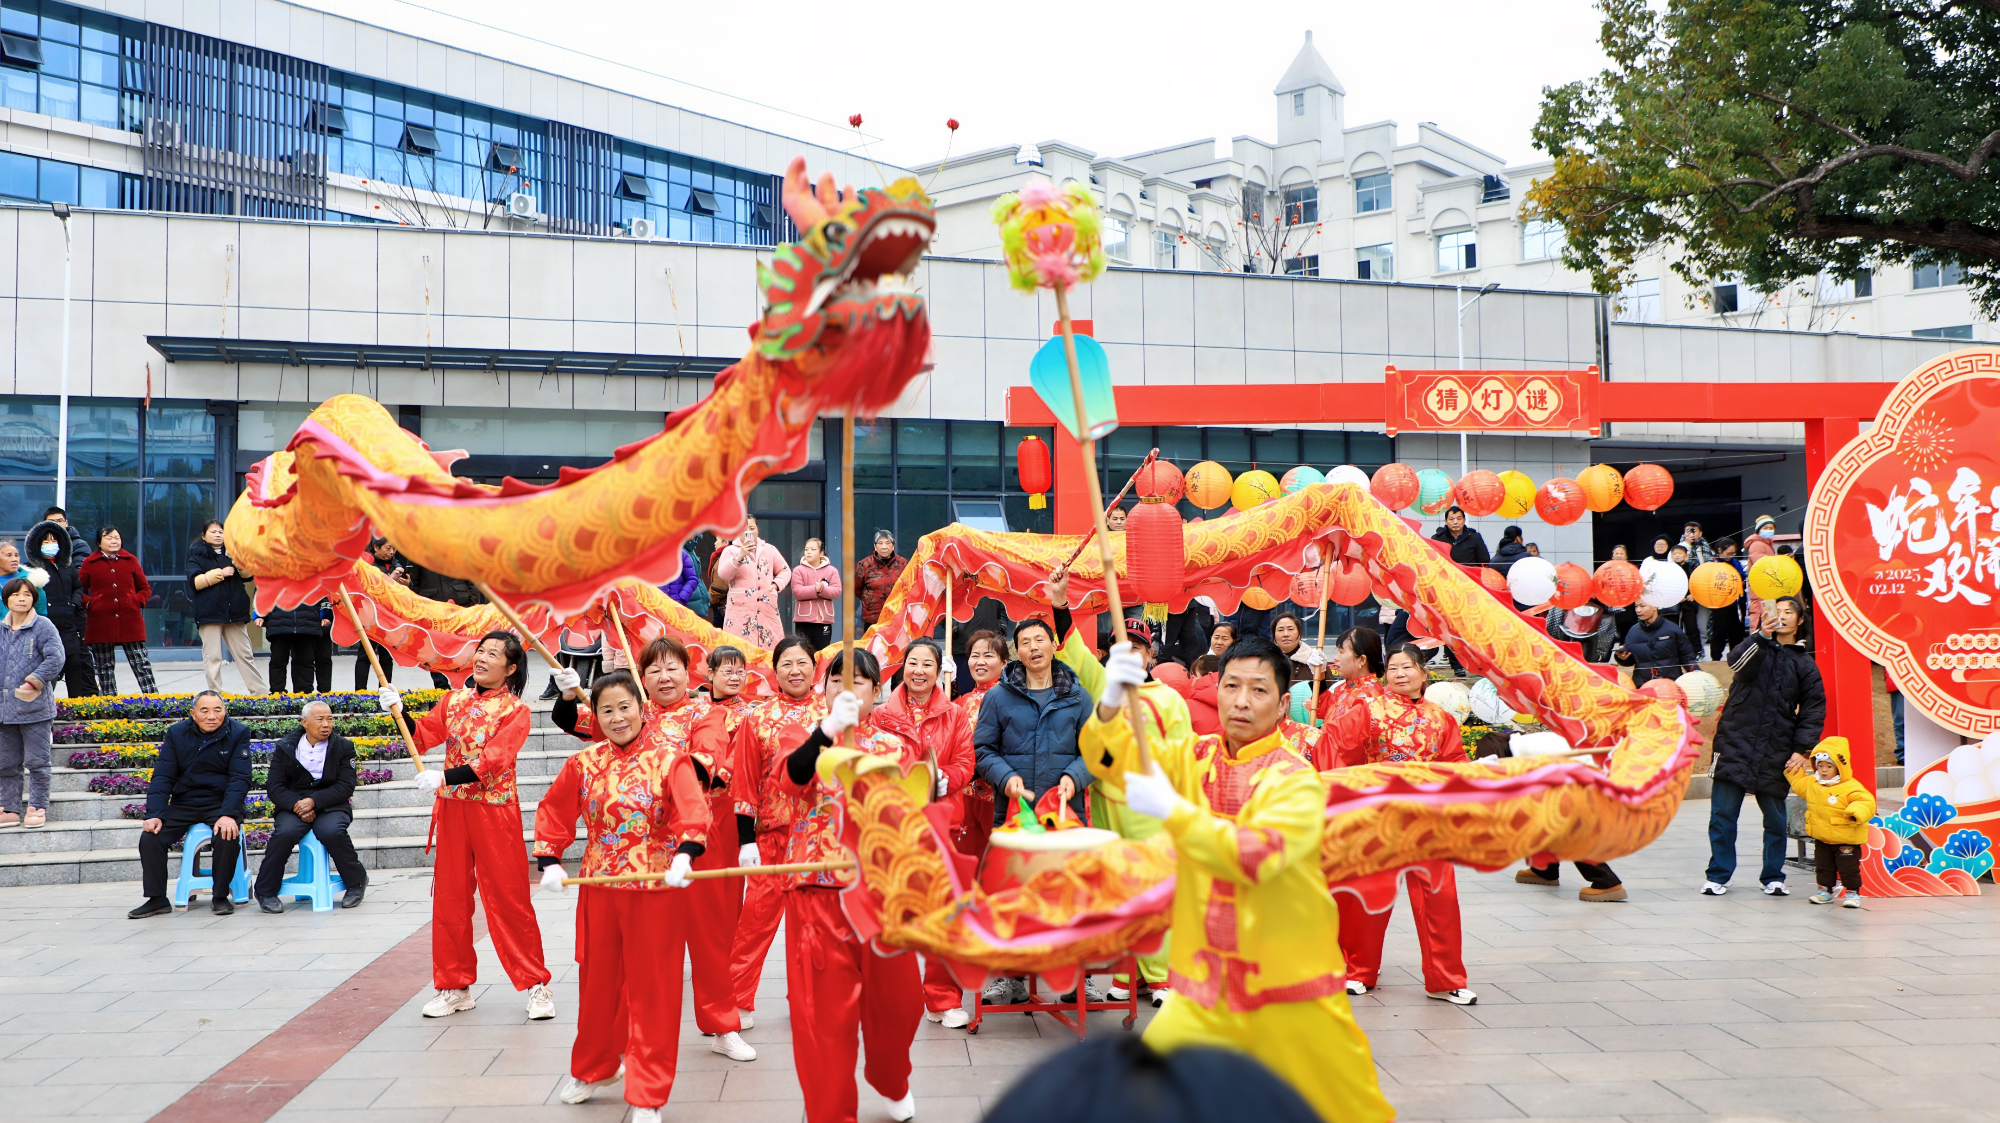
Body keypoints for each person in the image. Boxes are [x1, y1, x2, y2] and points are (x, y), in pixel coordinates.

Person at [1084, 636, 1394, 1123]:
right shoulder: (1196, 755)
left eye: (1258, 690)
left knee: (1348, 1111)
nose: (1242, 702)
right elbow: (1110, 761)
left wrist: (1173, 811)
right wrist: (1108, 703)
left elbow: (1255, 856)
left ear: (1283, 703)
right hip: (1208, 985)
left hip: (1291, 990)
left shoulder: (1294, 779)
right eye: (1231, 686)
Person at [551, 636, 755, 1061]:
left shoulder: (707, 712)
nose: (664, 677)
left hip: (696, 839)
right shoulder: (632, 711)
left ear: (688, 672)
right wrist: (571, 694)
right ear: (642, 678)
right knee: (625, 949)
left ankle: (722, 1025)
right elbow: (580, 723)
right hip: (634, 847)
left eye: (672, 667)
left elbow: (709, 758)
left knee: (709, 936)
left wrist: (667, 772)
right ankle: (620, 1041)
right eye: (654, 670)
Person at [534, 671, 711, 1121]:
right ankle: (594, 1067)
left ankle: (648, 1090)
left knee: (654, 990)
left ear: (641, 707)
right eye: (606, 710)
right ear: (597, 715)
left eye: (624, 707)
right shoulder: (584, 763)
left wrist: (686, 854)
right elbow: (554, 811)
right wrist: (550, 859)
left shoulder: (672, 760)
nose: (617, 718)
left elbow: (693, 810)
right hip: (598, 889)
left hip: (655, 889)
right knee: (598, 985)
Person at [770, 651, 924, 1123]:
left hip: (882, 895)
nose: (847, 689)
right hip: (817, 894)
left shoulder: (898, 747)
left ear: (876, 693)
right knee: (823, 1020)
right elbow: (791, 779)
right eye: (837, 680)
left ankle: (890, 1075)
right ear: (824, 689)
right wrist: (827, 735)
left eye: (860, 681)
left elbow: (914, 814)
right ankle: (831, 1113)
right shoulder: (801, 735)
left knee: (900, 1006)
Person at [381, 631, 556, 1020]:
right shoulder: (453, 699)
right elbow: (423, 737)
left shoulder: (515, 711)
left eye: (493, 654)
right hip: (454, 811)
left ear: (510, 668)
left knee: (510, 899)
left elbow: (495, 759)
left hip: (494, 812)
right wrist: (399, 712)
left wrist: (445, 778)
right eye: (481, 651)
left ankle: (535, 984)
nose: (482, 658)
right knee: (450, 900)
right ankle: (453, 986)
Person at [1320, 643, 1477, 1005]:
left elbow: (1454, 763)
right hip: (1378, 817)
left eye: (1407, 667)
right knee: (1367, 899)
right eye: (1393, 668)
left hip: (1426, 820)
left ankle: (1446, 979)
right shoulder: (1369, 709)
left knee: (1440, 899)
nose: (1400, 674)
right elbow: (1336, 748)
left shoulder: (1442, 718)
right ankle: (1358, 971)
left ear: (1423, 673)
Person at [971, 612, 1091, 1007]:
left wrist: (1075, 776)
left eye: (1041, 639)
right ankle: (1011, 978)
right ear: (1016, 652)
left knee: (1067, 896)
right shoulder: (998, 696)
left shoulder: (1076, 694)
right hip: (1017, 814)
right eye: (1026, 642)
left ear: (1054, 644)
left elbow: (1095, 750)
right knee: (1013, 896)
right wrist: (1005, 778)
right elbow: (983, 750)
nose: (1034, 647)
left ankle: (1074, 977)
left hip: (1065, 814)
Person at [872, 637, 977, 1027]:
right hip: (894, 824)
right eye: (912, 663)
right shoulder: (881, 715)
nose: (919, 671)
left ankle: (943, 998)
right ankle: (889, 997)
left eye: (927, 665)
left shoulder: (955, 714)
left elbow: (966, 762)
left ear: (939, 671)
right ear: (903, 667)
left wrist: (937, 780)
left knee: (945, 911)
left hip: (942, 819)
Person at [727, 636, 824, 1022]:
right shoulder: (757, 717)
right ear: (775, 671)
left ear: (814, 668)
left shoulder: (830, 714)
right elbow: (744, 781)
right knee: (755, 923)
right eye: (787, 664)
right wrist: (745, 839)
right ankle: (735, 1001)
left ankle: (809, 1001)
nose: (795, 671)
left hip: (818, 837)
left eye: (802, 663)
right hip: (771, 835)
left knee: (812, 928)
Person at [1706, 596, 1824, 897]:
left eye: (1789, 612)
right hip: (1735, 741)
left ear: (1799, 621)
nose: (1782, 616)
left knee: (1775, 819)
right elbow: (1736, 663)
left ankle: (1773, 876)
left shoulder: (1804, 664)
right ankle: (1718, 875)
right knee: (1722, 815)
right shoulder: (1755, 646)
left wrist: (1801, 749)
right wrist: (1760, 636)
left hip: (1776, 748)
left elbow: (1813, 710)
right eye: (1777, 611)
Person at [129, 690, 253, 917]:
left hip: (219, 802)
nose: (212, 716)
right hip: (184, 801)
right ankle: (157, 899)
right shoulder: (177, 733)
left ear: (225, 711)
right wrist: (155, 813)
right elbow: (163, 776)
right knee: (151, 837)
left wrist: (228, 813)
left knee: (228, 833)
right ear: (193, 714)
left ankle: (220, 895)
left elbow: (240, 778)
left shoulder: (238, 732)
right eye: (204, 710)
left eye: (218, 710)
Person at [254, 699, 367, 910]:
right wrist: (298, 805)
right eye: (320, 719)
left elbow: (345, 786)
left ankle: (356, 883)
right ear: (304, 722)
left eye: (330, 719)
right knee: (284, 833)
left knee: (332, 831)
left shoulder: (343, 746)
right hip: (294, 805)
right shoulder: (286, 746)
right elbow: (275, 786)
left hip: (331, 804)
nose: (326, 724)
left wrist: (314, 802)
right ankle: (266, 891)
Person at [0, 576, 64, 829]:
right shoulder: (1, 629)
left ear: (34, 599)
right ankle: (9, 807)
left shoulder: (43, 626)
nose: (22, 598)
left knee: (37, 762)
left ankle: (37, 806)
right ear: (7, 600)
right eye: (16, 594)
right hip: (4, 711)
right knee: (5, 763)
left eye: (27, 594)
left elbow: (56, 658)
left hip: (34, 707)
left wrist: (33, 681)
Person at [1783, 736, 1873, 908]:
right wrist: (1791, 770)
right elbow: (1798, 783)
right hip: (1822, 837)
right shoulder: (1813, 783)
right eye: (1820, 766)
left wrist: (1856, 812)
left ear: (1840, 767)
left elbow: (1865, 802)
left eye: (1829, 766)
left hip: (1846, 838)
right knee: (1824, 867)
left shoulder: (1850, 786)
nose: (1824, 770)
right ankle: (1824, 891)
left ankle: (1853, 893)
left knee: (1848, 868)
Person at [187, 520, 266, 695]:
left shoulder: (233, 554)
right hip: (210, 613)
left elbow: (248, 575)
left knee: (245, 655)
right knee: (213, 657)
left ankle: (260, 693)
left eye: (221, 532)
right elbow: (196, 582)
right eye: (213, 531)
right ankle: (216, 695)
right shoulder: (197, 557)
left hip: (235, 613)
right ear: (203, 536)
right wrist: (220, 574)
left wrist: (238, 561)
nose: (218, 535)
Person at [79, 526, 156, 695]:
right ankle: (110, 704)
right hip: (101, 622)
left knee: (141, 663)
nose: (114, 541)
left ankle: (153, 701)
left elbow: (144, 588)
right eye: (109, 537)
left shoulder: (131, 560)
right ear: (99, 542)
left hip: (130, 620)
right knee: (104, 668)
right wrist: (91, 604)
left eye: (117, 537)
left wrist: (136, 601)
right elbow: (79, 591)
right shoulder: (89, 563)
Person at [25, 521, 92, 698]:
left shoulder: (66, 565)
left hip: (68, 623)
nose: (50, 545)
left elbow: (79, 587)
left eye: (53, 541)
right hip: (46, 625)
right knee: (50, 666)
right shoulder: (31, 569)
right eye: (45, 541)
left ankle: (75, 706)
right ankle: (45, 706)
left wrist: (74, 603)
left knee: (74, 663)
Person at [716, 517, 790, 649]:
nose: (749, 532)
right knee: (739, 649)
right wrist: (740, 556)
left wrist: (776, 585)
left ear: (757, 529)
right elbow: (723, 574)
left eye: (752, 528)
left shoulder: (769, 549)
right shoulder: (730, 550)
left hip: (766, 608)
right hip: (740, 609)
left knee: (770, 650)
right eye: (744, 530)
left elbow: (785, 571)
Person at [409, 563, 485, 690]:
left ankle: (471, 683)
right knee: (435, 649)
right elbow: (415, 583)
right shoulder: (419, 553)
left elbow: (472, 578)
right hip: (433, 608)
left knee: (465, 647)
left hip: (461, 605)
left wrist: (472, 602)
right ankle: (441, 687)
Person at [352, 538, 408, 691]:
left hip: (389, 617)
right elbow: (370, 590)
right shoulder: (366, 564)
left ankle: (384, 690)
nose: (391, 552)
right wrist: (391, 579)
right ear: (376, 547)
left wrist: (406, 584)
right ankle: (360, 692)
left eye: (394, 549)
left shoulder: (397, 565)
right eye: (388, 548)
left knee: (386, 656)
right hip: (370, 615)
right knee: (365, 655)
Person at [1615, 600, 1699, 686]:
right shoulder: (1633, 631)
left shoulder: (1672, 629)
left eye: (1642, 606)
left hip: (1671, 686)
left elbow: (1688, 658)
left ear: (1655, 607)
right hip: (1643, 686)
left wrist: (1699, 677)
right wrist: (1622, 658)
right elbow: (1631, 660)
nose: (1638, 610)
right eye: (1636, 606)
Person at [263, 598, 333, 694]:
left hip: (307, 624)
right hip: (279, 624)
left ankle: (304, 693)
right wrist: (260, 616)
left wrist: (326, 615)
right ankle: (277, 693)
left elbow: (322, 596)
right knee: (278, 660)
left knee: (305, 661)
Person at [789, 537, 841, 651]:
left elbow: (837, 591)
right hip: (803, 619)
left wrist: (822, 590)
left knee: (822, 651)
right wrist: (815, 589)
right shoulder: (798, 570)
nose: (808, 552)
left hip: (824, 619)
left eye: (813, 549)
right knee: (804, 650)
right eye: (806, 549)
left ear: (821, 553)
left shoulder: (832, 570)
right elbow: (797, 591)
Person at [856, 530, 906, 629]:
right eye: (880, 543)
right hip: (873, 618)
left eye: (888, 543)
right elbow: (857, 588)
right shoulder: (864, 565)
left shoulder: (903, 564)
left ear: (893, 546)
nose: (884, 547)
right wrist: (870, 600)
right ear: (875, 546)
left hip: (896, 615)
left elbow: (908, 587)